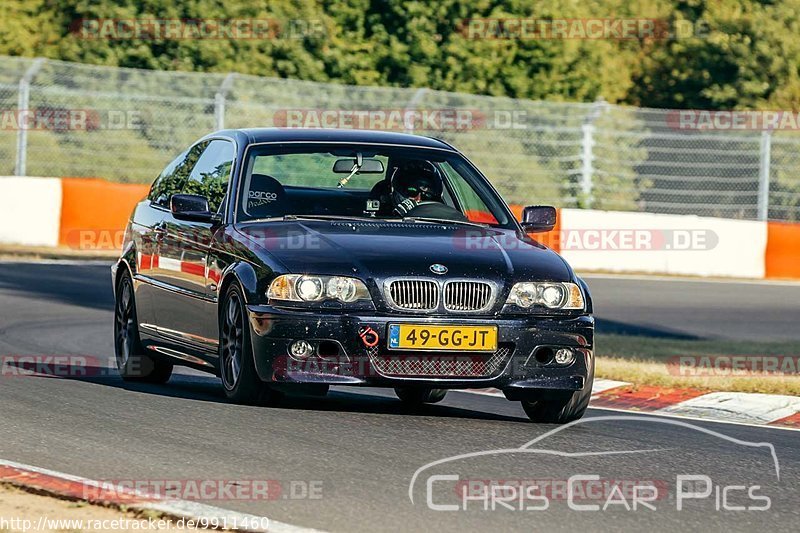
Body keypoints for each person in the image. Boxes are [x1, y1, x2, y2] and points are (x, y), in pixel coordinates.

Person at [389, 160, 468, 221]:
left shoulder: (448, 220)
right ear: (397, 192)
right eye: (412, 191)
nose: (419, 199)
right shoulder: (378, 222)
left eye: (427, 195)